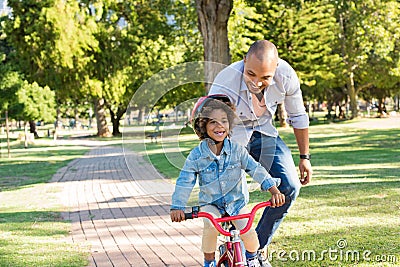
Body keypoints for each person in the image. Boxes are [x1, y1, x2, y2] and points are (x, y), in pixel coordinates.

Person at [208, 40, 313, 266]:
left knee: (289, 187)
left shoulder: (286, 76)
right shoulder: (226, 81)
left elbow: (298, 116)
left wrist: (304, 158)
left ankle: (255, 251)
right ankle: (231, 245)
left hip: (265, 133)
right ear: (244, 61)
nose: (257, 82)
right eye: (251, 74)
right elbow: (212, 127)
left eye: (265, 77)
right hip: (230, 137)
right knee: (232, 197)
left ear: (276, 69)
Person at [170, 95, 286, 267]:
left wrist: (273, 190)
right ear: (202, 126)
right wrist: (177, 207)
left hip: (236, 202)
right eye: (212, 122)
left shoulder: (237, 151)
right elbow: (184, 181)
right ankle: (209, 261)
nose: (219, 126)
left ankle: (252, 257)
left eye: (224, 121)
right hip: (211, 204)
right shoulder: (197, 155)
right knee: (210, 226)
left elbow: (255, 169)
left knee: (248, 231)